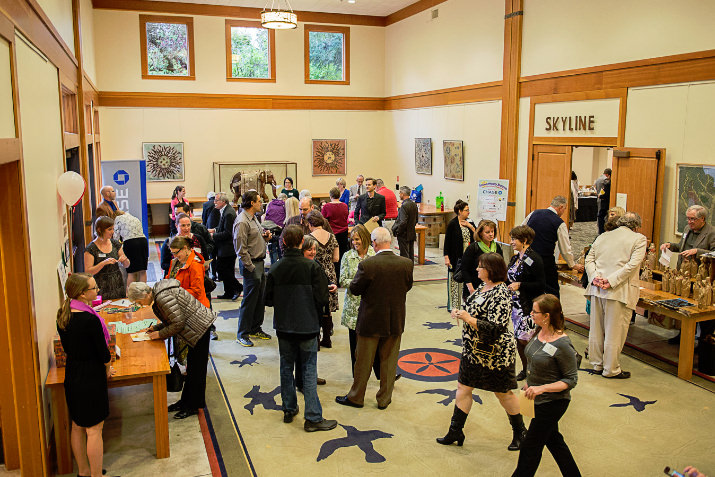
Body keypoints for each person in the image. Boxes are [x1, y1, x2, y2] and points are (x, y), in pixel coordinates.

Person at [437, 253, 526, 451]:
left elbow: (496, 327)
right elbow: (473, 308)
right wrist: (460, 312)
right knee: (463, 387)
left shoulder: (501, 292)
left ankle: (520, 432)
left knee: (503, 393)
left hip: (495, 354)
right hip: (472, 351)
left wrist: (468, 318)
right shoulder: (482, 287)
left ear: (491, 270)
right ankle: (455, 430)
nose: (477, 269)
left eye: (480, 267)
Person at [264, 224, 338, 432]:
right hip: (307, 325)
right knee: (308, 369)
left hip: (284, 326)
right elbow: (323, 298)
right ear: (300, 243)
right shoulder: (311, 268)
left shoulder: (276, 268)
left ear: (284, 242)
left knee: (286, 366)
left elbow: (267, 300)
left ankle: (289, 408)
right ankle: (313, 417)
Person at [336, 227, 413, 410]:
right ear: (390, 241)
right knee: (389, 361)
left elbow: (355, 289)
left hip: (370, 320)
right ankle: (384, 399)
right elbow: (407, 286)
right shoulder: (406, 263)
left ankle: (356, 397)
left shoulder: (368, 265)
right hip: (395, 319)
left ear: (374, 243)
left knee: (363, 360)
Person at [512, 294, 580, 477]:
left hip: (552, 402)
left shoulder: (563, 344)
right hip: (535, 398)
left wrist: (541, 388)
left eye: (535, 312)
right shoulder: (538, 332)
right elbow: (534, 359)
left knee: (530, 446)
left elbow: (571, 380)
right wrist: (530, 382)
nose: (531, 314)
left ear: (547, 315)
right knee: (555, 442)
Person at [128, 279, 216, 420]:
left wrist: (159, 334)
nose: (140, 305)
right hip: (194, 327)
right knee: (192, 369)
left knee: (197, 371)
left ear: (144, 295)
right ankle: (185, 402)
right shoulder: (158, 294)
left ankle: (193, 406)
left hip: (199, 328)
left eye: (138, 302)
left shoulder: (162, 298)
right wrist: (157, 328)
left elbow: (178, 323)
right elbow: (172, 318)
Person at [56, 273, 115, 477]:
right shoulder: (89, 320)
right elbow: (103, 352)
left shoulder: (62, 314)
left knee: (77, 426)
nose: (97, 290)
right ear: (82, 294)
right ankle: (96, 475)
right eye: (94, 288)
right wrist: (108, 366)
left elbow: (67, 347)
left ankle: (83, 472)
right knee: (94, 430)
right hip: (91, 376)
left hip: (72, 373)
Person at [585, 212, 647, 379]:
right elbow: (633, 265)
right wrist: (611, 281)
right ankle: (611, 369)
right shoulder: (639, 239)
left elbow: (589, 259)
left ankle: (597, 364)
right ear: (636, 226)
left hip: (597, 288)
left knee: (596, 329)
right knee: (615, 331)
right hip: (619, 291)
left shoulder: (603, 236)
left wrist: (595, 277)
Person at [523, 196, 584, 298]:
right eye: (564, 209)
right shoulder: (559, 223)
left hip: (528, 257)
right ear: (560, 207)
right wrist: (572, 264)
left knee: (530, 286)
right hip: (545, 261)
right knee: (552, 289)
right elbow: (565, 249)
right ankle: (553, 312)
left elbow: (521, 231)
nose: (564, 212)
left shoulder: (534, 213)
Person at [506, 225, 545, 381]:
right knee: (519, 339)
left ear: (525, 240)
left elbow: (541, 285)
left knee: (525, 340)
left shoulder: (534, 258)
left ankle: (533, 371)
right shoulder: (516, 258)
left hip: (527, 306)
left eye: (514, 239)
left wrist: (520, 285)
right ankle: (526, 369)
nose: (512, 242)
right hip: (516, 306)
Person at [234, 191, 272, 347]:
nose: (261, 203)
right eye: (258, 201)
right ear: (251, 203)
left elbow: (254, 239)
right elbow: (240, 249)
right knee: (249, 301)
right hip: (252, 265)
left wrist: (265, 238)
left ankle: (256, 328)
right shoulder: (242, 221)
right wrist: (250, 267)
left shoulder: (254, 218)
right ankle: (242, 334)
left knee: (259, 299)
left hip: (260, 263)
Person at [339, 224, 376, 374]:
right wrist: (359, 285)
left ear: (365, 239)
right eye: (352, 240)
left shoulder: (375, 256)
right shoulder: (347, 256)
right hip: (353, 308)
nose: (354, 242)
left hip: (371, 307)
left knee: (374, 343)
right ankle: (357, 375)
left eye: (357, 239)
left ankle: (381, 373)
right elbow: (342, 280)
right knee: (354, 344)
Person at [306, 210, 339, 348]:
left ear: (310, 224)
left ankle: (316, 340)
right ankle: (327, 338)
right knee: (327, 308)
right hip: (330, 274)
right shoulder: (332, 236)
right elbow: (336, 258)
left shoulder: (308, 238)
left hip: (316, 274)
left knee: (315, 307)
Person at [84, 216, 130, 300]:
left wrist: (125, 260)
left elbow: (127, 265)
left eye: (113, 229)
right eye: (109, 229)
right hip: (101, 286)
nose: (112, 232)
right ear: (99, 230)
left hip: (117, 283)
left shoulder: (115, 244)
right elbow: (88, 272)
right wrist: (103, 263)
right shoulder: (91, 249)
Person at [443, 200, 476, 311]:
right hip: (455, 257)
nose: (468, 212)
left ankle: (466, 303)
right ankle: (453, 305)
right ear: (459, 211)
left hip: (468, 256)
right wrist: (446, 257)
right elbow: (447, 242)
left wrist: (470, 226)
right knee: (454, 281)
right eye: (466, 210)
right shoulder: (452, 224)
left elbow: (477, 236)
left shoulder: (470, 222)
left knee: (467, 280)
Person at [209, 192, 242, 300]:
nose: (214, 202)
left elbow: (228, 233)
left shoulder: (228, 213)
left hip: (228, 248)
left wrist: (213, 235)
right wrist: (214, 230)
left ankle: (238, 287)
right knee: (227, 270)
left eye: (217, 200)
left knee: (221, 269)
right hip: (225, 247)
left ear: (223, 202)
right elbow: (222, 227)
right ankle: (228, 292)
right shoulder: (225, 210)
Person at [460, 219, 503, 299]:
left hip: (491, 287)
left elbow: (500, 268)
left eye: (492, 231)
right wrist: (471, 289)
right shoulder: (473, 248)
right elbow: (465, 269)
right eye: (487, 232)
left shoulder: (497, 247)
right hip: (474, 286)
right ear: (480, 233)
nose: (491, 234)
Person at [111, 210, 148, 287]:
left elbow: (115, 238)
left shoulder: (117, 219)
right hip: (143, 241)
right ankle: (143, 290)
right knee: (143, 270)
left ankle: (129, 294)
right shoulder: (134, 218)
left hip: (131, 243)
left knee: (132, 272)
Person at [321, 187, 349, 278]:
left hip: (332, 234)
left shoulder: (327, 206)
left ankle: (334, 277)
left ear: (330, 195)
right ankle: (342, 276)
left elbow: (322, 220)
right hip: (344, 233)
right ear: (340, 195)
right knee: (342, 256)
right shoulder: (345, 206)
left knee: (332, 257)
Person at [392, 186, 418, 261]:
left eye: (400, 193)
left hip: (403, 234)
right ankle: (410, 270)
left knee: (404, 255)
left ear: (403, 194)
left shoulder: (404, 206)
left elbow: (402, 222)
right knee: (411, 255)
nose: (399, 194)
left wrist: (398, 231)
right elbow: (416, 220)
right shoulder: (414, 204)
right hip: (411, 233)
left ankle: (405, 271)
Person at [594, 168, 611, 234]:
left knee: (600, 216)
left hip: (600, 198)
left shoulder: (599, 179)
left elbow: (595, 186)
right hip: (605, 200)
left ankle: (599, 230)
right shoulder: (606, 181)